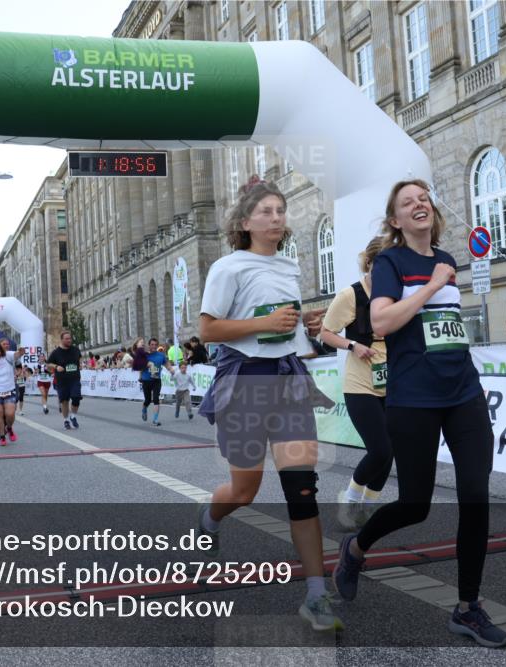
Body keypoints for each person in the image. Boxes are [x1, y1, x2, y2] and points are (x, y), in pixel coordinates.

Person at [331, 179, 506, 647]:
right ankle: (356, 548)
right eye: (407, 202)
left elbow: (445, 327)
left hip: (463, 392)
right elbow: (382, 322)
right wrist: (430, 287)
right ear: (395, 220)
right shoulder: (392, 262)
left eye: (423, 199)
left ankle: (468, 608)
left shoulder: (448, 259)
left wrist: (438, 282)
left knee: (475, 494)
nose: (419, 205)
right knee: (415, 504)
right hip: (413, 397)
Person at [196, 178, 336, 632]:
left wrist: (305, 326)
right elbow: (209, 332)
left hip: (289, 379)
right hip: (245, 382)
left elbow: (284, 328)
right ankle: (211, 516)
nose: (277, 218)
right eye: (267, 212)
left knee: (302, 489)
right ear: (244, 222)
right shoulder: (228, 267)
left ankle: (316, 594)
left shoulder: (290, 266)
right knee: (245, 491)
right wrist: (265, 321)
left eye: (281, 211)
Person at [320, 236, 393, 529]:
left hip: (392, 379)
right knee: (380, 449)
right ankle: (349, 499)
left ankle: (368, 505)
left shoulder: (395, 293)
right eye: (383, 267)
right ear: (371, 263)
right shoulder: (350, 295)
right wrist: (352, 345)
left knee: (391, 450)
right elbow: (326, 333)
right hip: (359, 382)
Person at [46, 330, 82, 429]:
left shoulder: (75, 350)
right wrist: (56, 366)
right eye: (67, 339)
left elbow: (79, 359)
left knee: (76, 398)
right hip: (62, 381)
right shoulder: (56, 352)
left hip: (75, 379)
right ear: (61, 340)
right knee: (64, 401)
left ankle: (73, 416)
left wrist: (81, 365)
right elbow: (48, 364)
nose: (69, 340)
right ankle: (66, 420)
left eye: (70, 338)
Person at [139, 338, 171, 426]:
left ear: (157, 345)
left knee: (156, 399)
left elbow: (166, 363)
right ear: (149, 345)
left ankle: (155, 419)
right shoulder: (145, 355)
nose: (153, 346)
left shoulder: (161, 355)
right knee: (148, 400)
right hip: (146, 380)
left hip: (157, 380)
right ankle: (144, 409)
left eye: (155, 345)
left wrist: (171, 369)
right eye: (152, 344)